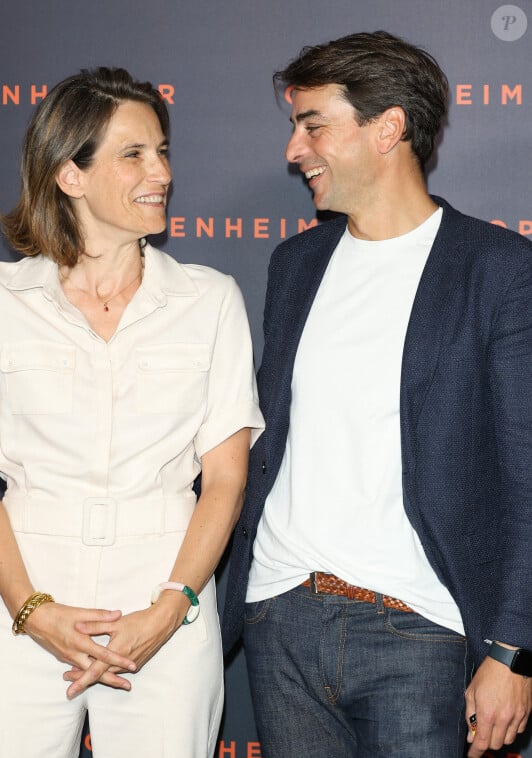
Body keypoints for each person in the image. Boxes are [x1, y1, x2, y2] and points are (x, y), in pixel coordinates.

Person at [222, 31, 532, 758]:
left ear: (388, 127)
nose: (294, 151)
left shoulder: (497, 270)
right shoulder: (296, 263)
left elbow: (527, 474)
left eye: (314, 125)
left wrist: (512, 650)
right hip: (281, 618)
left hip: (416, 627)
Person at [0, 66, 263, 757]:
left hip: (167, 605)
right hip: (21, 598)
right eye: (134, 154)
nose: (161, 171)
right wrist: (32, 610)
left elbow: (226, 479)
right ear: (70, 175)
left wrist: (169, 609)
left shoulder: (209, 300)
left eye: (163, 151)